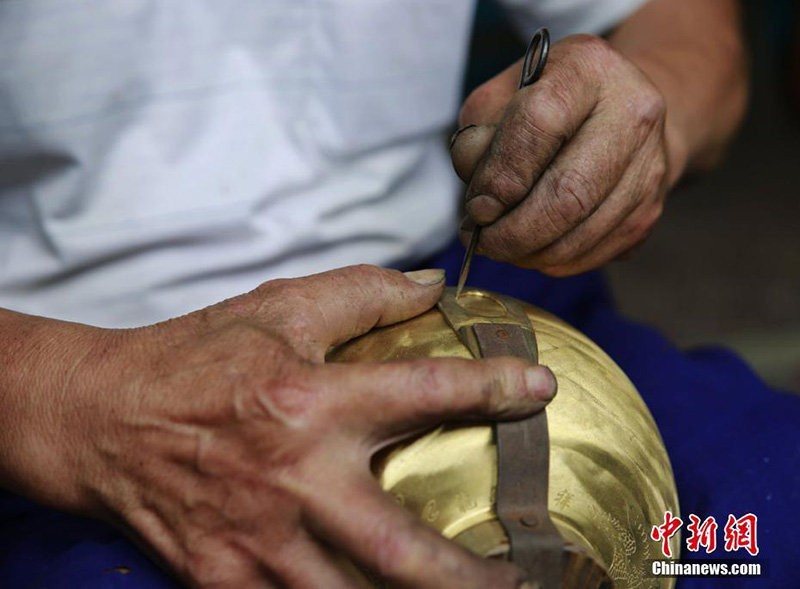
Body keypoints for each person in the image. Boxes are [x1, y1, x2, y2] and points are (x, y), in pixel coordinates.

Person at [1, 1, 797, 588]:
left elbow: (685, 27)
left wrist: (644, 109)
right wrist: (81, 397)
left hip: (447, 284)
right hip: (73, 374)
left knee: (754, 530)